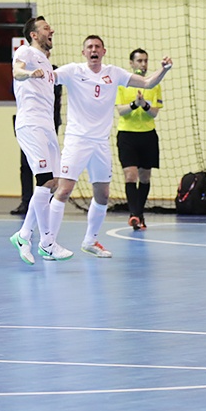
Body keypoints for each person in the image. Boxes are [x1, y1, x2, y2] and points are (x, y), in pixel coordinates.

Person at [48, 35, 172, 258]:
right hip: (77, 140)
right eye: (89, 47)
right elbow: (50, 77)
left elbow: (146, 83)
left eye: (97, 47)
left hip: (100, 143)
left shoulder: (113, 73)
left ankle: (90, 241)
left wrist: (163, 70)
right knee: (64, 190)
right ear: (83, 52)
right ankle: (48, 243)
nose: (93, 50)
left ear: (103, 51)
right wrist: (32, 67)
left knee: (103, 195)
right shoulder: (73, 71)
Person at [9, 17, 68, 264]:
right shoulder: (26, 50)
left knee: (52, 182)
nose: (51, 30)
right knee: (44, 179)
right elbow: (17, 70)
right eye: (45, 28)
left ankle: (24, 234)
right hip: (30, 123)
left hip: (47, 126)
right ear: (34, 34)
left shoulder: (47, 62)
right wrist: (28, 73)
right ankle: (47, 243)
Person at [115, 48, 164, 231]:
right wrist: (135, 103)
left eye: (145, 61)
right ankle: (134, 214)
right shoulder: (122, 84)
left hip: (148, 135)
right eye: (139, 61)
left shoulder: (154, 84)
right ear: (131, 63)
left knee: (144, 177)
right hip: (127, 134)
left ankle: (139, 213)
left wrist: (144, 106)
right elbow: (121, 110)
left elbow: (154, 113)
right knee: (130, 175)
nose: (143, 65)